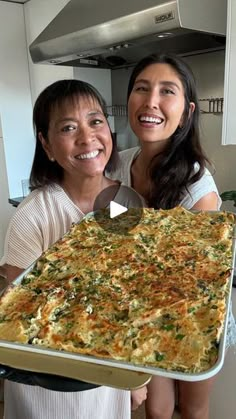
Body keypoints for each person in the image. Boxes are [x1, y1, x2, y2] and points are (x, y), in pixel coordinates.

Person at [0, 79, 147, 419]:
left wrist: (135, 377)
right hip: (46, 387)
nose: (86, 137)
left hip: (108, 378)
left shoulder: (131, 203)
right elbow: (17, 317)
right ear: (47, 145)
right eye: (68, 127)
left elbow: (136, 299)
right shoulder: (33, 215)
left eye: (95, 121)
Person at [107, 53, 236, 419]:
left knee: (193, 410)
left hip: (194, 315)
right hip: (142, 307)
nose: (151, 102)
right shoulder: (118, 165)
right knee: (158, 409)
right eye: (142, 89)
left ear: (187, 110)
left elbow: (194, 285)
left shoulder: (198, 188)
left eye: (167, 91)